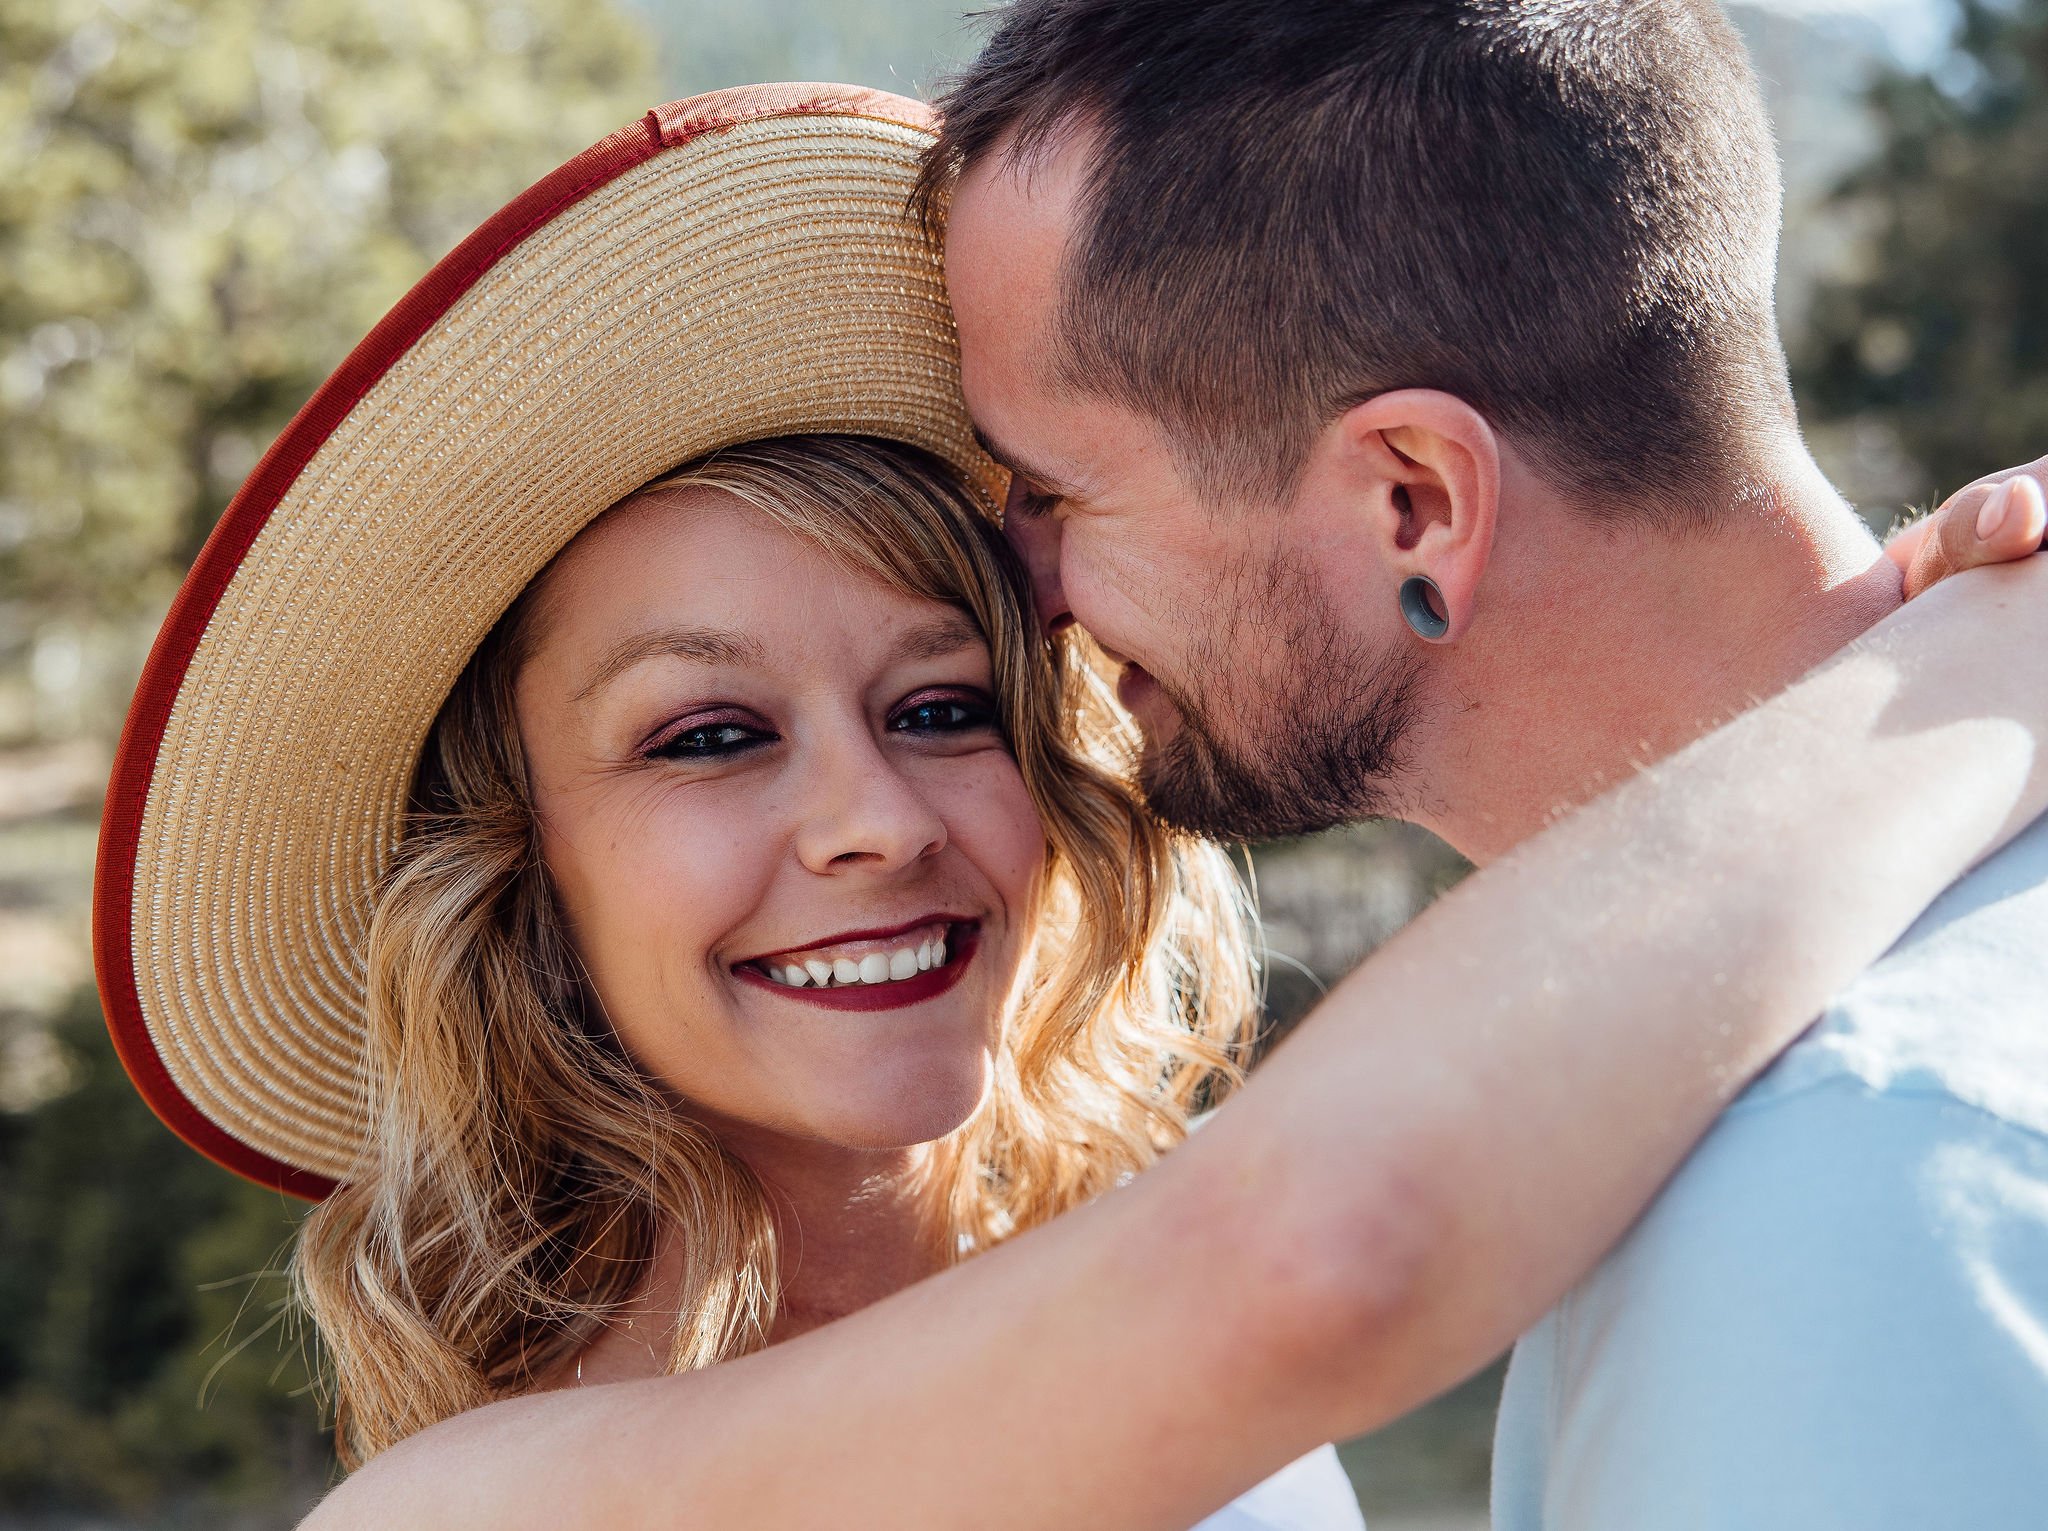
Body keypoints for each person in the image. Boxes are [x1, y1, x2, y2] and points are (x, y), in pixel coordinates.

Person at [90, 88, 2045, 1531]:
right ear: (518, 871)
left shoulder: (1231, 1434)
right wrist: (1955, 673)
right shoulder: (464, 1514)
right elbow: (1323, 1248)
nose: (872, 816)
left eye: (944, 702)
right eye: (704, 737)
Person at [921, 1, 2048, 1524]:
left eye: (1057, 491)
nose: (1024, 590)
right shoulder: (1757, 1095)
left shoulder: (1834, 1187)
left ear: (1412, 503)